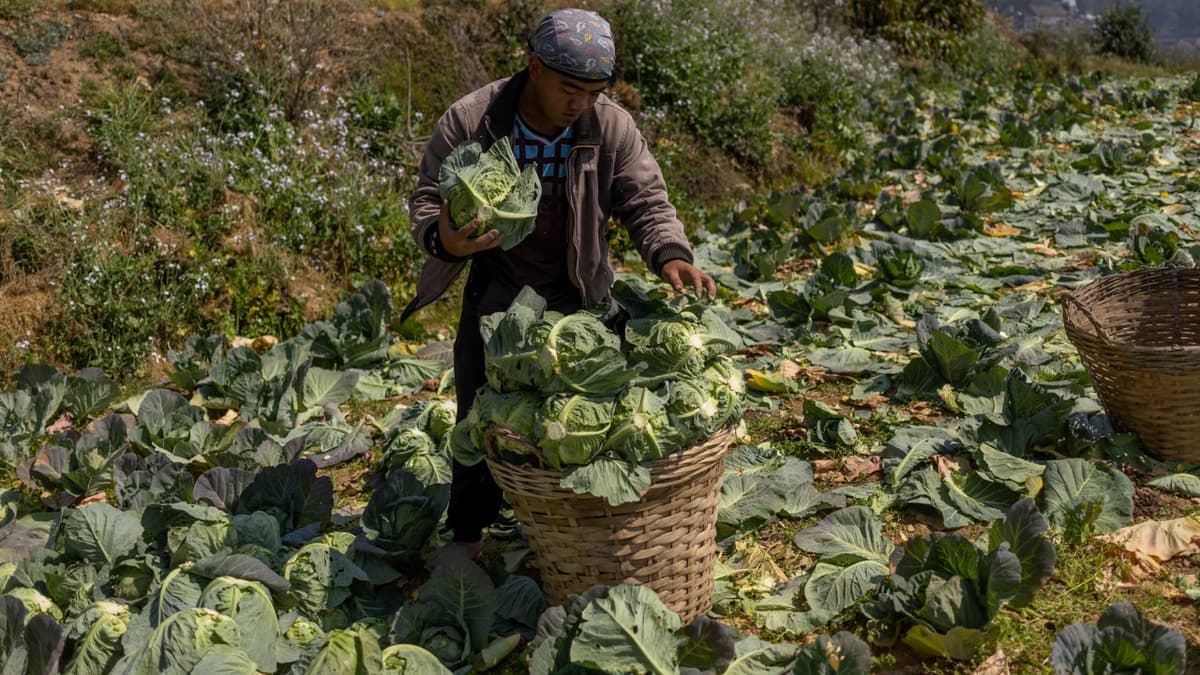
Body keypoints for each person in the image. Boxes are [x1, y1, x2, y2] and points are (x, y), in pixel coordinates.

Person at [402, 8, 716, 557]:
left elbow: (644, 198)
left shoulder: (610, 126)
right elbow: (428, 200)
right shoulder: (473, 120)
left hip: (577, 293)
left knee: (582, 420)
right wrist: (447, 240)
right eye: (571, 88)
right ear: (533, 67)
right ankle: (469, 535)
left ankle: (568, 532)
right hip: (497, 294)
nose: (581, 104)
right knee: (480, 412)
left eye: (595, 92)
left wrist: (670, 254)